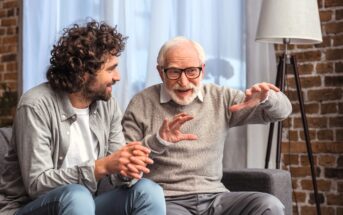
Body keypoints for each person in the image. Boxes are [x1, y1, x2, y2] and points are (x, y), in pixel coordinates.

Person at [0, 21, 166, 215]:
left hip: (85, 204)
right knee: (77, 196)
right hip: (30, 207)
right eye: (111, 69)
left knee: (148, 191)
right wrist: (101, 166)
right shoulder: (35, 105)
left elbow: (117, 172)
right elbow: (37, 185)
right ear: (84, 72)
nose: (118, 76)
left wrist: (127, 167)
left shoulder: (107, 104)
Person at [122, 36, 292, 215]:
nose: (184, 81)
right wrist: (158, 141)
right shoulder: (141, 103)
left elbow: (282, 112)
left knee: (269, 205)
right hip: (167, 200)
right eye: (174, 72)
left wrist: (267, 98)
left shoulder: (220, 97)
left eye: (191, 71)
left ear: (202, 70)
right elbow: (122, 168)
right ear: (160, 71)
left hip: (215, 198)